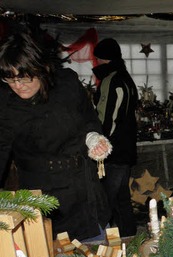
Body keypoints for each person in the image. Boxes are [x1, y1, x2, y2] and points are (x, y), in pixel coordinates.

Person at [0, 27, 112, 241]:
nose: (18, 86)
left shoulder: (66, 82)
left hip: (83, 189)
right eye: (10, 79)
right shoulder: (5, 102)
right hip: (41, 194)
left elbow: (88, 118)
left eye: (24, 78)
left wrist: (92, 137)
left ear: (41, 68)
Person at [93, 38, 139, 237]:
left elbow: (107, 118)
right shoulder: (126, 78)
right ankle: (128, 236)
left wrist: (100, 144)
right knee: (122, 199)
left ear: (104, 59)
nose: (96, 62)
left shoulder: (111, 80)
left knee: (106, 200)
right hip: (126, 147)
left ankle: (100, 240)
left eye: (98, 58)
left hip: (113, 150)